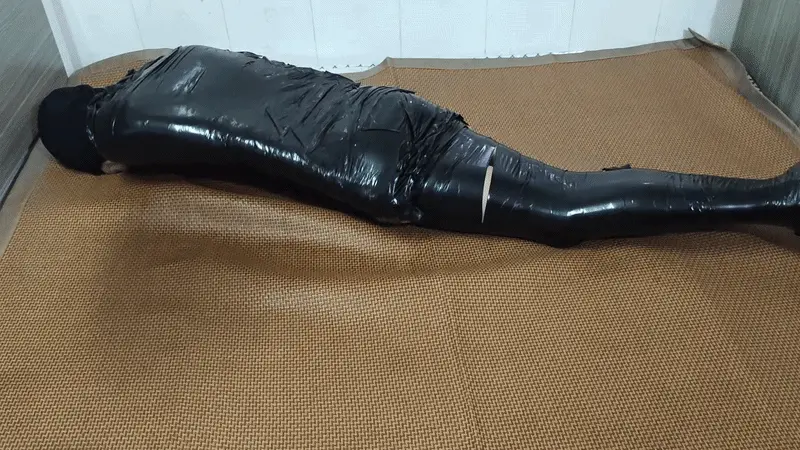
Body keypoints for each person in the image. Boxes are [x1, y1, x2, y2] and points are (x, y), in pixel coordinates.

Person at [38, 46, 800, 247]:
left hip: (399, 169)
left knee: (564, 211)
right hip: (402, 118)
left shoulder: (130, 127)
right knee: (565, 191)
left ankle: (777, 198)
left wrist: (106, 148)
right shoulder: (181, 57)